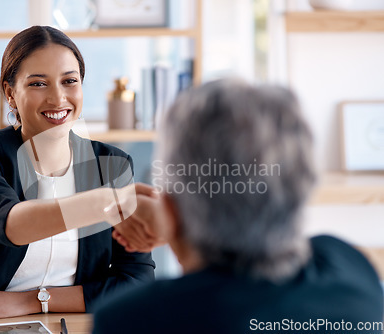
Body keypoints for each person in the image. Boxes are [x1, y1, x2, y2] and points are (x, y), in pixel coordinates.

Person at [93, 79, 384, 333]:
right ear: (302, 185)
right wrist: (176, 219)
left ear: (172, 205)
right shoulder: (348, 266)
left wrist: (177, 223)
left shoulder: (133, 320)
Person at [0, 26, 155, 319]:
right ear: (10, 93)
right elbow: (12, 225)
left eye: (69, 81)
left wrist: (32, 301)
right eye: (38, 84)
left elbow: (136, 280)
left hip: (72, 322)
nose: (58, 99)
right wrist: (107, 201)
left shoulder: (111, 163)